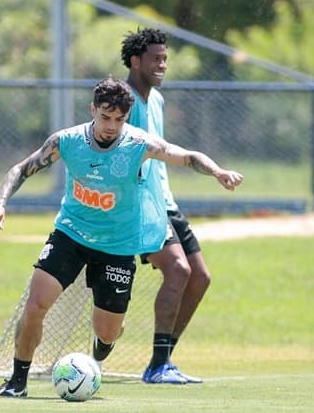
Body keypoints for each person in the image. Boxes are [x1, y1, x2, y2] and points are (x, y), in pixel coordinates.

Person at [0, 77, 243, 397]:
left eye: (119, 119)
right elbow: (21, 169)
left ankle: (103, 343)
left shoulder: (138, 144)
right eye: (105, 117)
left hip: (117, 247)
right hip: (70, 233)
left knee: (107, 332)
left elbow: (186, 156)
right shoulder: (67, 141)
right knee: (36, 304)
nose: (111, 126)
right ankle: (16, 381)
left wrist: (217, 171)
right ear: (93, 109)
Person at [122, 26, 215, 384]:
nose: (162, 64)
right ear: (135, 61)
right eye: (155, 59)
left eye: (165, 59)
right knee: (179, 271)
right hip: (138, 206)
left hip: (166, 201)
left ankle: (163, 360)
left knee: (200, 277)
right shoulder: (122, 101)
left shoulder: (157, 100)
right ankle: (157, 366)